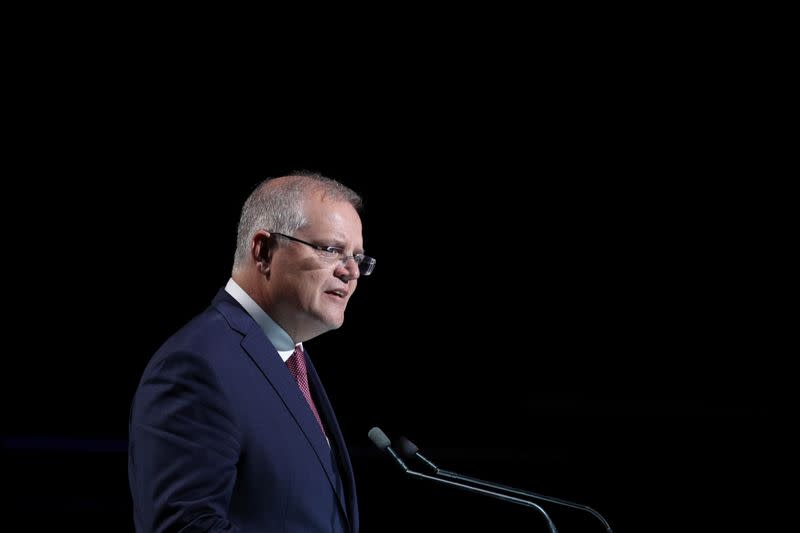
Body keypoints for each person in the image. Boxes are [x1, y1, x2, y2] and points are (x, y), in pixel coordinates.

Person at [128, 170, 375, 532]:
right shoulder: (196, 365)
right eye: (332, 250)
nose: (351, 271)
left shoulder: (292, 361)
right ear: (263, 251)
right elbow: (185, 526)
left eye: (358, 257)